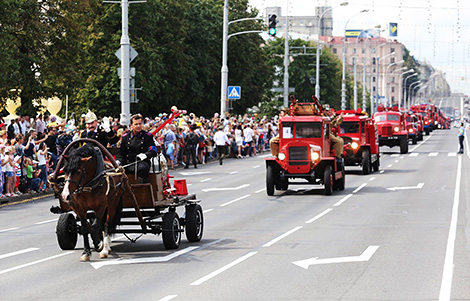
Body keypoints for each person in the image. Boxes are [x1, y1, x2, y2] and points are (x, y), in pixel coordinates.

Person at [116, 114, 158, 183]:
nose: (138, 126)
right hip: (128, 162)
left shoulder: (147, 136)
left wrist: (146, 155)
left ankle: (142, 188)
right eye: (136, 124)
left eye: (140, 124)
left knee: (143, 168)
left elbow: (153, 150)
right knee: (118, 170)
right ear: (131, 125)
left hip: (141, 162)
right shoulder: (125, 137)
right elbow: (122, 153)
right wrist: (118, 161)